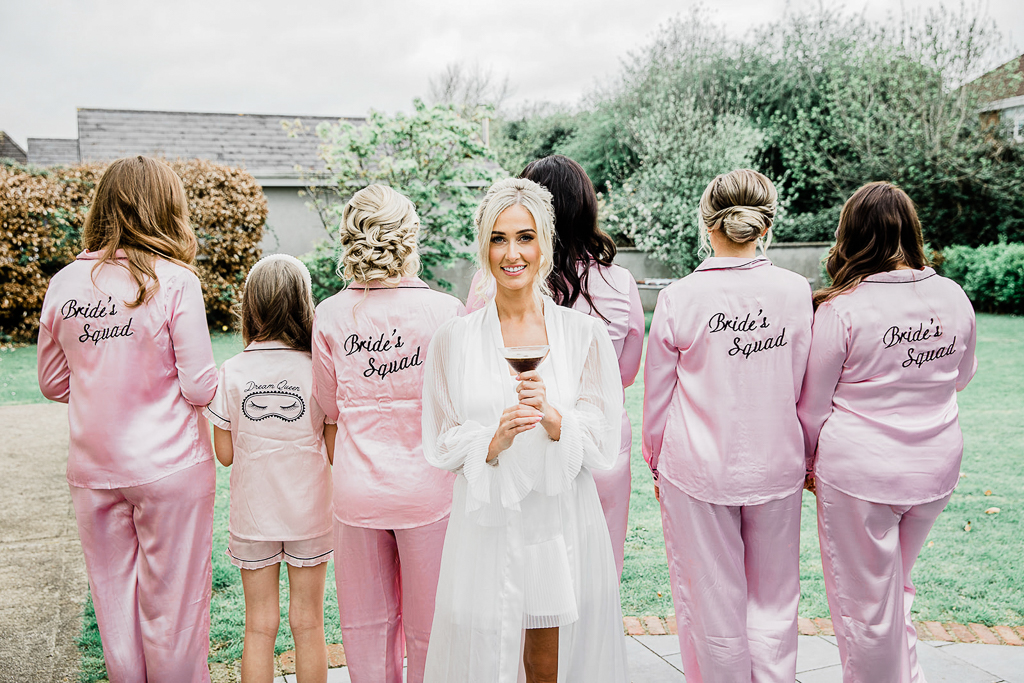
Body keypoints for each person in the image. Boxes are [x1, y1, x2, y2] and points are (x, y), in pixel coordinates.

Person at [422, 177, 629, 683]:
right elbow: (441, 434)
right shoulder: (454, 339)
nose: (511, 253)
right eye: (498, 238)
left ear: (545, 244)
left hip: (554, 520)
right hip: (486, 522)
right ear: (483, 246)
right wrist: (492, 441)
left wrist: (556, 419)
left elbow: (603, 436)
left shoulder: (582, 334)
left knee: (544, 659)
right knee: (484, 649)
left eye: (524, 236)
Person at [37, 156, 219, 682]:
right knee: (176, 606)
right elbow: (199, 386)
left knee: (114, 605)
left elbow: (52, 382)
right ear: (166, 210)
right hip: (170, 465)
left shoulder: (64, 284)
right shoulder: (177, 281)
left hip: (94, 470)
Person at [797, 182, 977, 683]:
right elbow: (962, 374)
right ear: (910, 230)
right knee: (896, 589)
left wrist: (808, 465)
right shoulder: (953, 295)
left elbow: (812, 408)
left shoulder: (841, 309)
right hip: (935, 466)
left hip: (861, 475)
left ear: (851, 235)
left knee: (864, 608)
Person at [643, 169, 812, 682]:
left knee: (711, 604)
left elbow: (657, 399)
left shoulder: (679, 297)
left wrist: (655, 462)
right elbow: (805, 382)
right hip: (778, 466)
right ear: (766, 223)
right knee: (775, 603)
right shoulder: (796, 291)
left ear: (706, 221)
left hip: (696, 470)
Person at [311, 184, 463, 683]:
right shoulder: (446, 312)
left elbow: (329, 405)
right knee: (429, 629)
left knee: (366, 627)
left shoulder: (330, 314)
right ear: (409, 237)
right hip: (429, 492)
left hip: (358, 493)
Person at [466, 155, 643, 579]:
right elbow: (627, 372)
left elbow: (475, 361)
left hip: (525, 439)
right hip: (599, 440)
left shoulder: (492, 283)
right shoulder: (619, 284)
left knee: (526, 579)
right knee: (598, 571)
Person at [204, 254, 335, 683]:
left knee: (259, 626)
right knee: (309, 624)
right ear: (304, 304)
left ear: (250, 306)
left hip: (252, 517)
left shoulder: (232, 372)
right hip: (309, 515)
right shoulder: (318, 371)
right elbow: (333, 448)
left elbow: (225, 454)